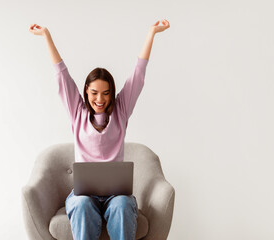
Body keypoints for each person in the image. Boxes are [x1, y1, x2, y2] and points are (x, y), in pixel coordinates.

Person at [29, 20, 170, 240]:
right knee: (82, 203)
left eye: (106, 93)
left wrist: (151, 33)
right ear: (86, 92)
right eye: (94, 93)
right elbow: (61, 75)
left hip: (116, 196)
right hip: (84, 195)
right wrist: (47, 36)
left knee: (122, 204)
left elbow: (138, 75)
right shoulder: (77, 112)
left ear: (112, 93)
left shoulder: (121, 111)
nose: (100, 99)